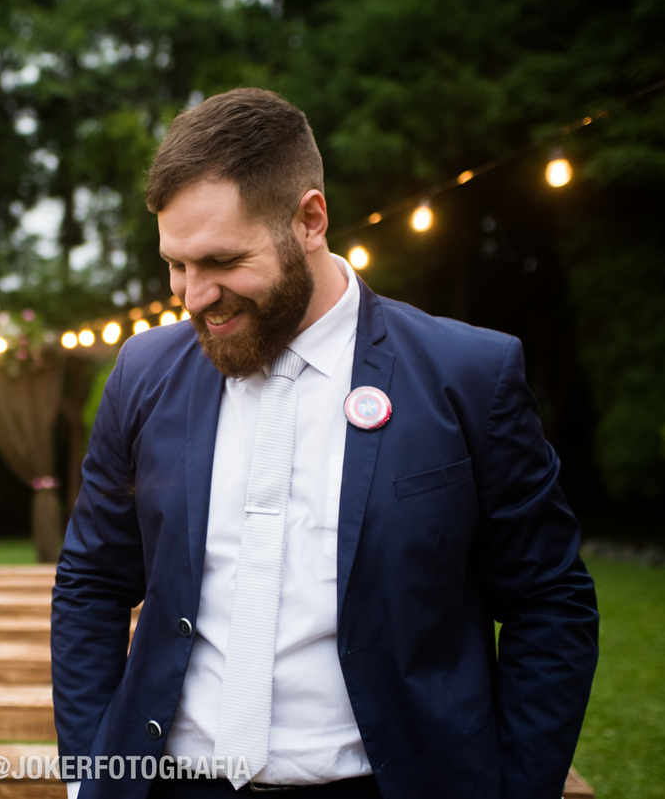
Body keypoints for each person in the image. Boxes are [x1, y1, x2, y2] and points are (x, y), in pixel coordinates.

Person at [51, 88, 599, 799]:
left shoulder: (467, 376)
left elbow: (548, 602)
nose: (192, 295)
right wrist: (92, 777)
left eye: (221, 260)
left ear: (309, 220)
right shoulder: (143, 373)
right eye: (177, 264)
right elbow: (91, 583)